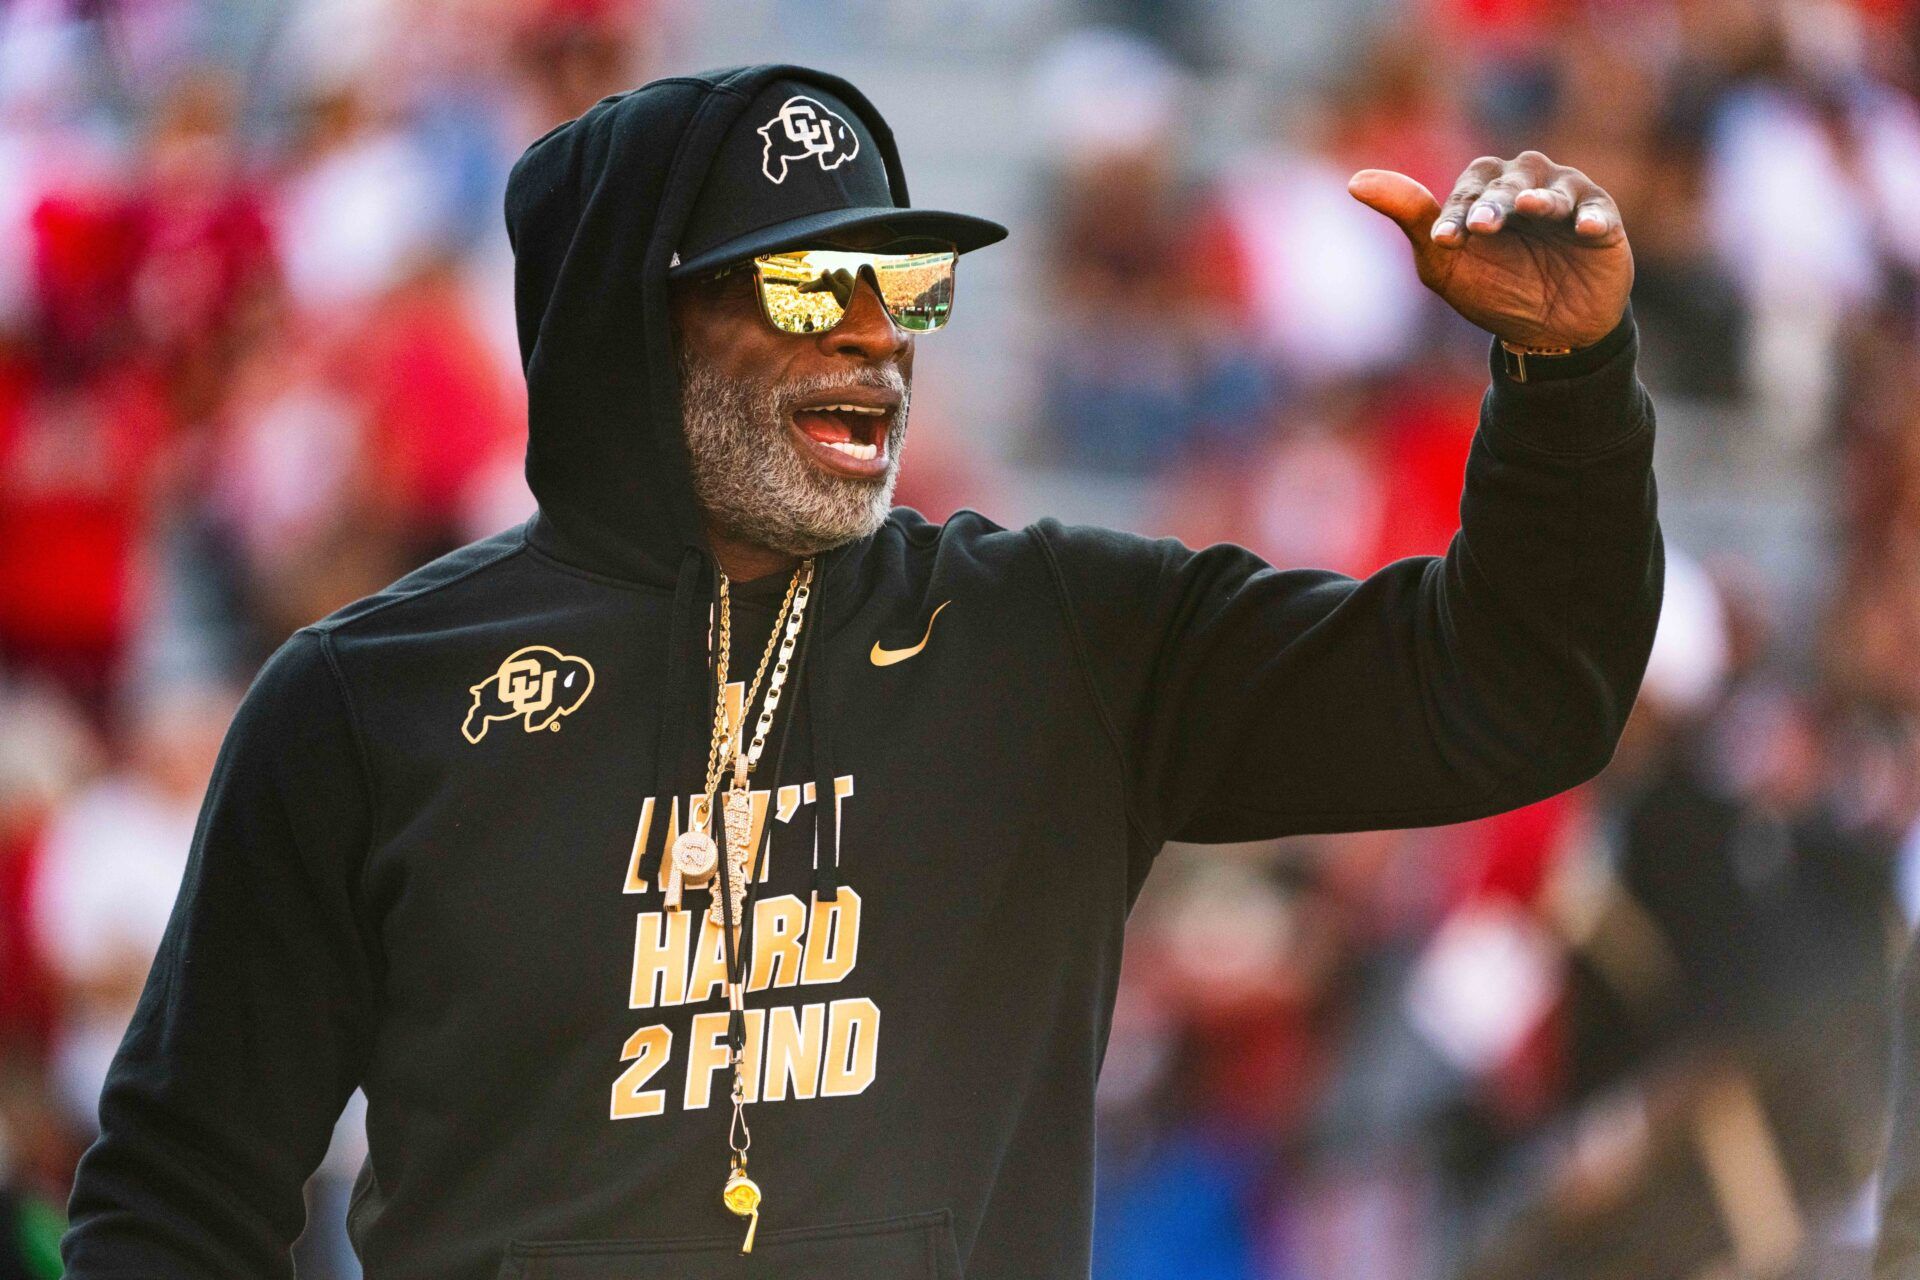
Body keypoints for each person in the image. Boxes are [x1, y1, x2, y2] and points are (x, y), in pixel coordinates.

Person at [58, 62, 1661, 1278]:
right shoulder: (366, 702)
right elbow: (177, 1200)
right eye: (815, 285)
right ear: (642, 325)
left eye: (907, 288)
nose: (878, 339)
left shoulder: (1061, 640)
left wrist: (1566, 381)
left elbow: (1514, 689)